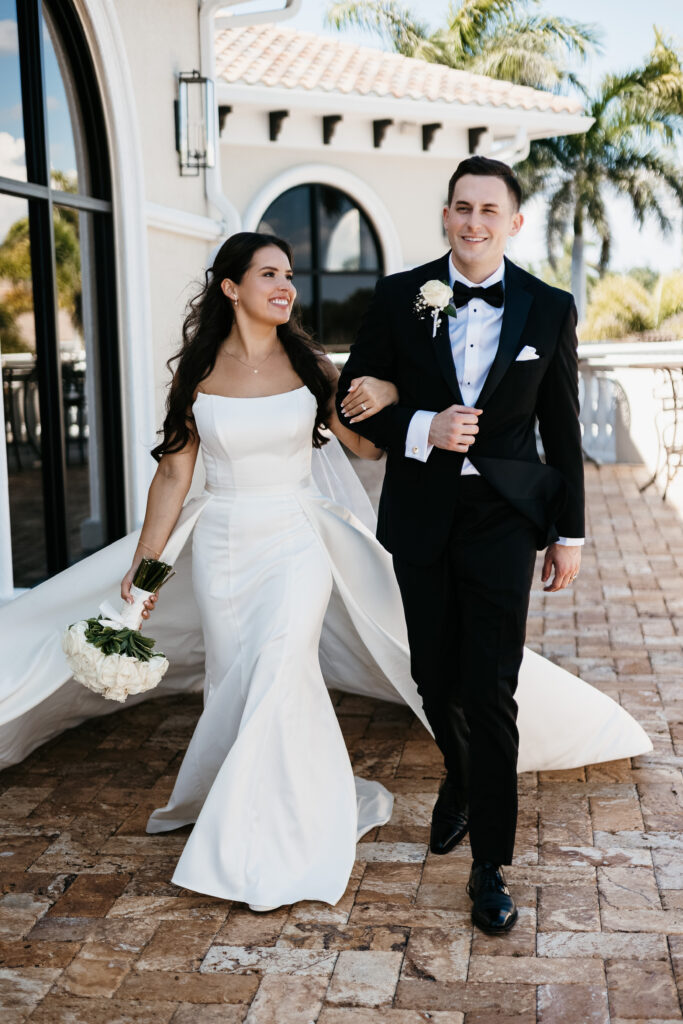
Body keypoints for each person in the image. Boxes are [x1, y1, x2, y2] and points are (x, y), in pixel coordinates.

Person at [0, 231, 650, 918]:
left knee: (282, 664)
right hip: (221, 543)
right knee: (235, 674)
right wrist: (147, 572)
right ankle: (241, 794)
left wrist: (392, 391)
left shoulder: (310, 364)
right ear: (230, 288)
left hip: (293, 541)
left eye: (288, 275)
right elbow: (174, 473)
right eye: (268, 275)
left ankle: (275, 838)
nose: (285, 287)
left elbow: (366, 444)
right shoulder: (196, 372)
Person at [337, 155, 586, 935]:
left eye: (488, 210)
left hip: (505, 518)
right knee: (431, 673)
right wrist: (420, 425)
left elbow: (562, 426)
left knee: (491, 687)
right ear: (444, 215)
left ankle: (490, 865)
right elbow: (355, 401)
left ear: (513, 223)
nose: (472, 222)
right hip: (422, 509)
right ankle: (458, 771)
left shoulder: (547, 308)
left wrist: (568, 531)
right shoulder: (397, 296)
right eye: (460, 208)